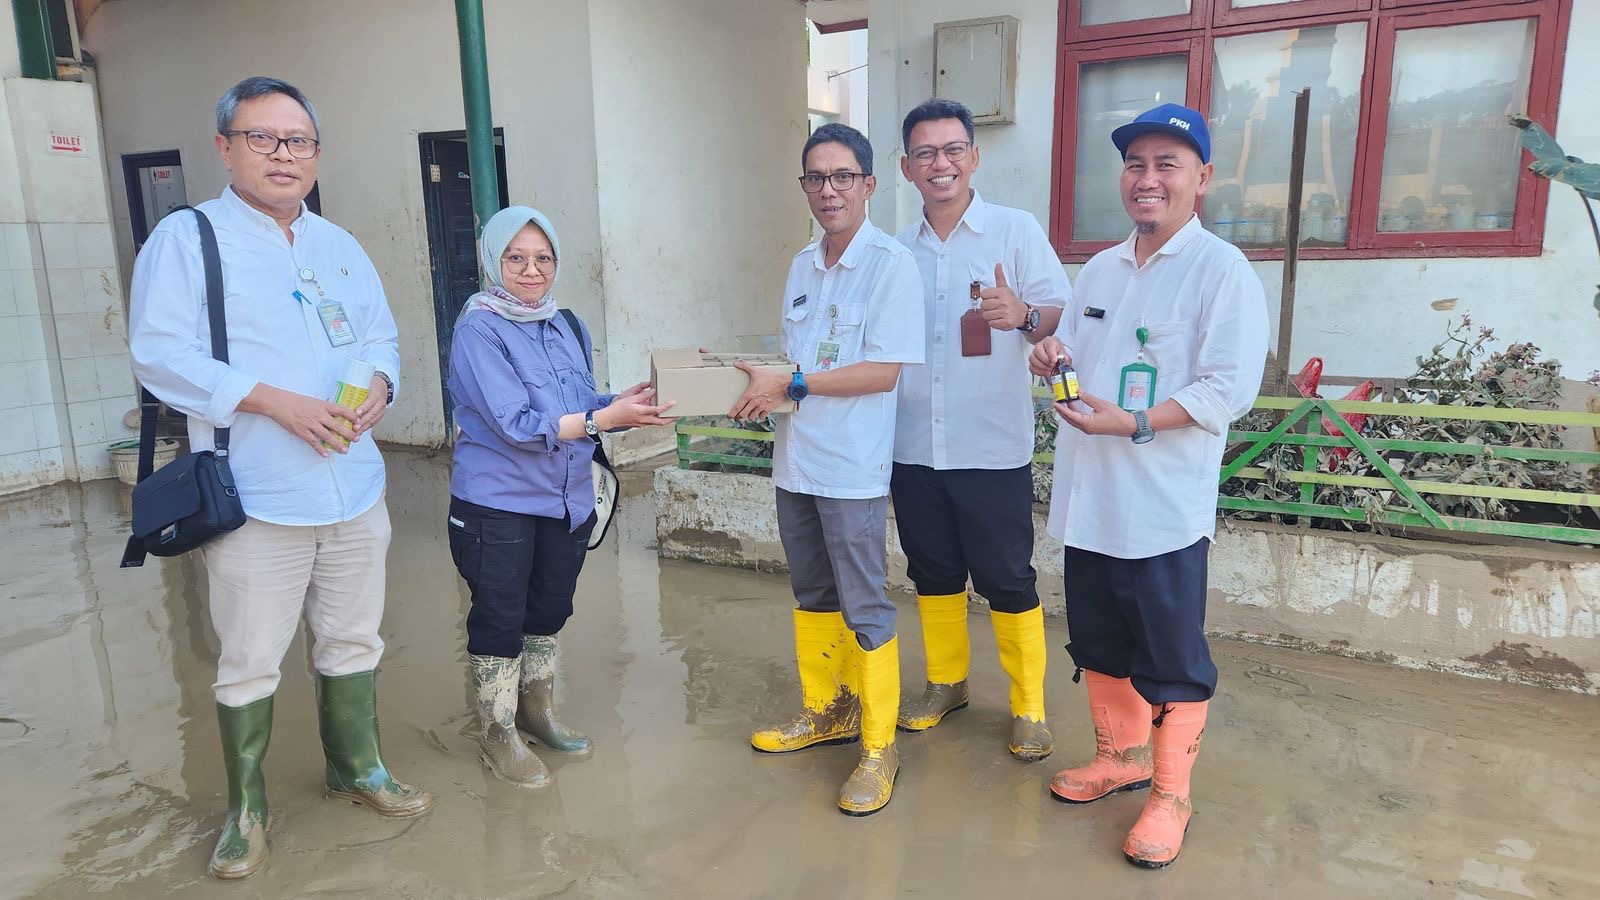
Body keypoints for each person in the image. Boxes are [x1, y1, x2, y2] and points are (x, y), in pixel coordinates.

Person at [128, 76, 431, 880]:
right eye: (262, 138)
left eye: (297, 141)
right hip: (256, 492)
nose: (282, 155)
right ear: (225, 146)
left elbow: (380, 336)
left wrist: (379, 389)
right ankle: (247, 806)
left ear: (317, 155)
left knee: (353, 635)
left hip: (354, 484)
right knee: (250, 655)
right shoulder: (187, 240)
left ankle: (356, 766)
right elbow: (160, 354)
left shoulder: (339, 244)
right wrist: (272, 403)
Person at [1031, 103, 1268, 868]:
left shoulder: (1220, 270)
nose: (1148, 178)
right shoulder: (1099, 269)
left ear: (1202, 178)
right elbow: (1083, 356)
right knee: (1100, 641)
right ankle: (1120, 758)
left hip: (1162, 505)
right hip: (1091, 496)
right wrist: (1051, 354)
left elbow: (1227, 390)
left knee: (1171, 656)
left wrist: (1134, 424)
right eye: (1136, 164)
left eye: (1168, 164)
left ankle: (1171, 794)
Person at [733, 123, 924, 816]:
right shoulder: (801, 264)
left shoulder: (890, 265)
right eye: (816, 178)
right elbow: (794, 364)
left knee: (865, 603)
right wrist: (756, 383)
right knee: (813, 594)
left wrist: (798, 385)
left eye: (843, 176)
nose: (829, 189)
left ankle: (878, 745)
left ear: (870, 184)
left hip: (852, 469)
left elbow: (882, 371)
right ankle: (828, 710)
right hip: (798, 461)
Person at [447, 206, 674, 788]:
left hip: (566, 499)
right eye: (515, 258)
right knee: (499, 616)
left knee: (548, 609)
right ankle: (498, 735)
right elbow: (517, 424)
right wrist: (604, 418)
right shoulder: (479, 327)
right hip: (498, 504)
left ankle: (538, 713)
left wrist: (619, 402)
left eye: (542, 258)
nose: (530, 271)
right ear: (493, 262)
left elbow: (575, 402)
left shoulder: (565, 323)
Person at [890, 98, 1072, 761]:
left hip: (990, 445)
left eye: (952, 150)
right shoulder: (895, 251)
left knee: (1006, 577)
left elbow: (1057, 311)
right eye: (926, 153)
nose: (941, 164)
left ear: (974, 157)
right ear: (908, 167)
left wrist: (1024, 314)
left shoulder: (1014, 231)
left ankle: (1028, 706)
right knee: (932, 572)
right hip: (912, 444)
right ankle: (947, 684)